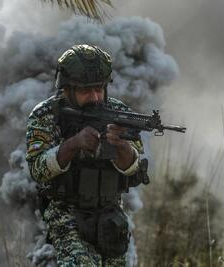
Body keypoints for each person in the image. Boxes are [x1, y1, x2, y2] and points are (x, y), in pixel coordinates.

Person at [25, 44, 145, 266]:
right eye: (85, 90)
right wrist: (73, 144)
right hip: (66, 214)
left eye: (99, 88)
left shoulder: (119, 113)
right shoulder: (46, 115)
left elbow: (135, 168)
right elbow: (37, 169)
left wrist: (120, 146)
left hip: (110, 216)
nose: (95, 97)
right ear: (67, 89)